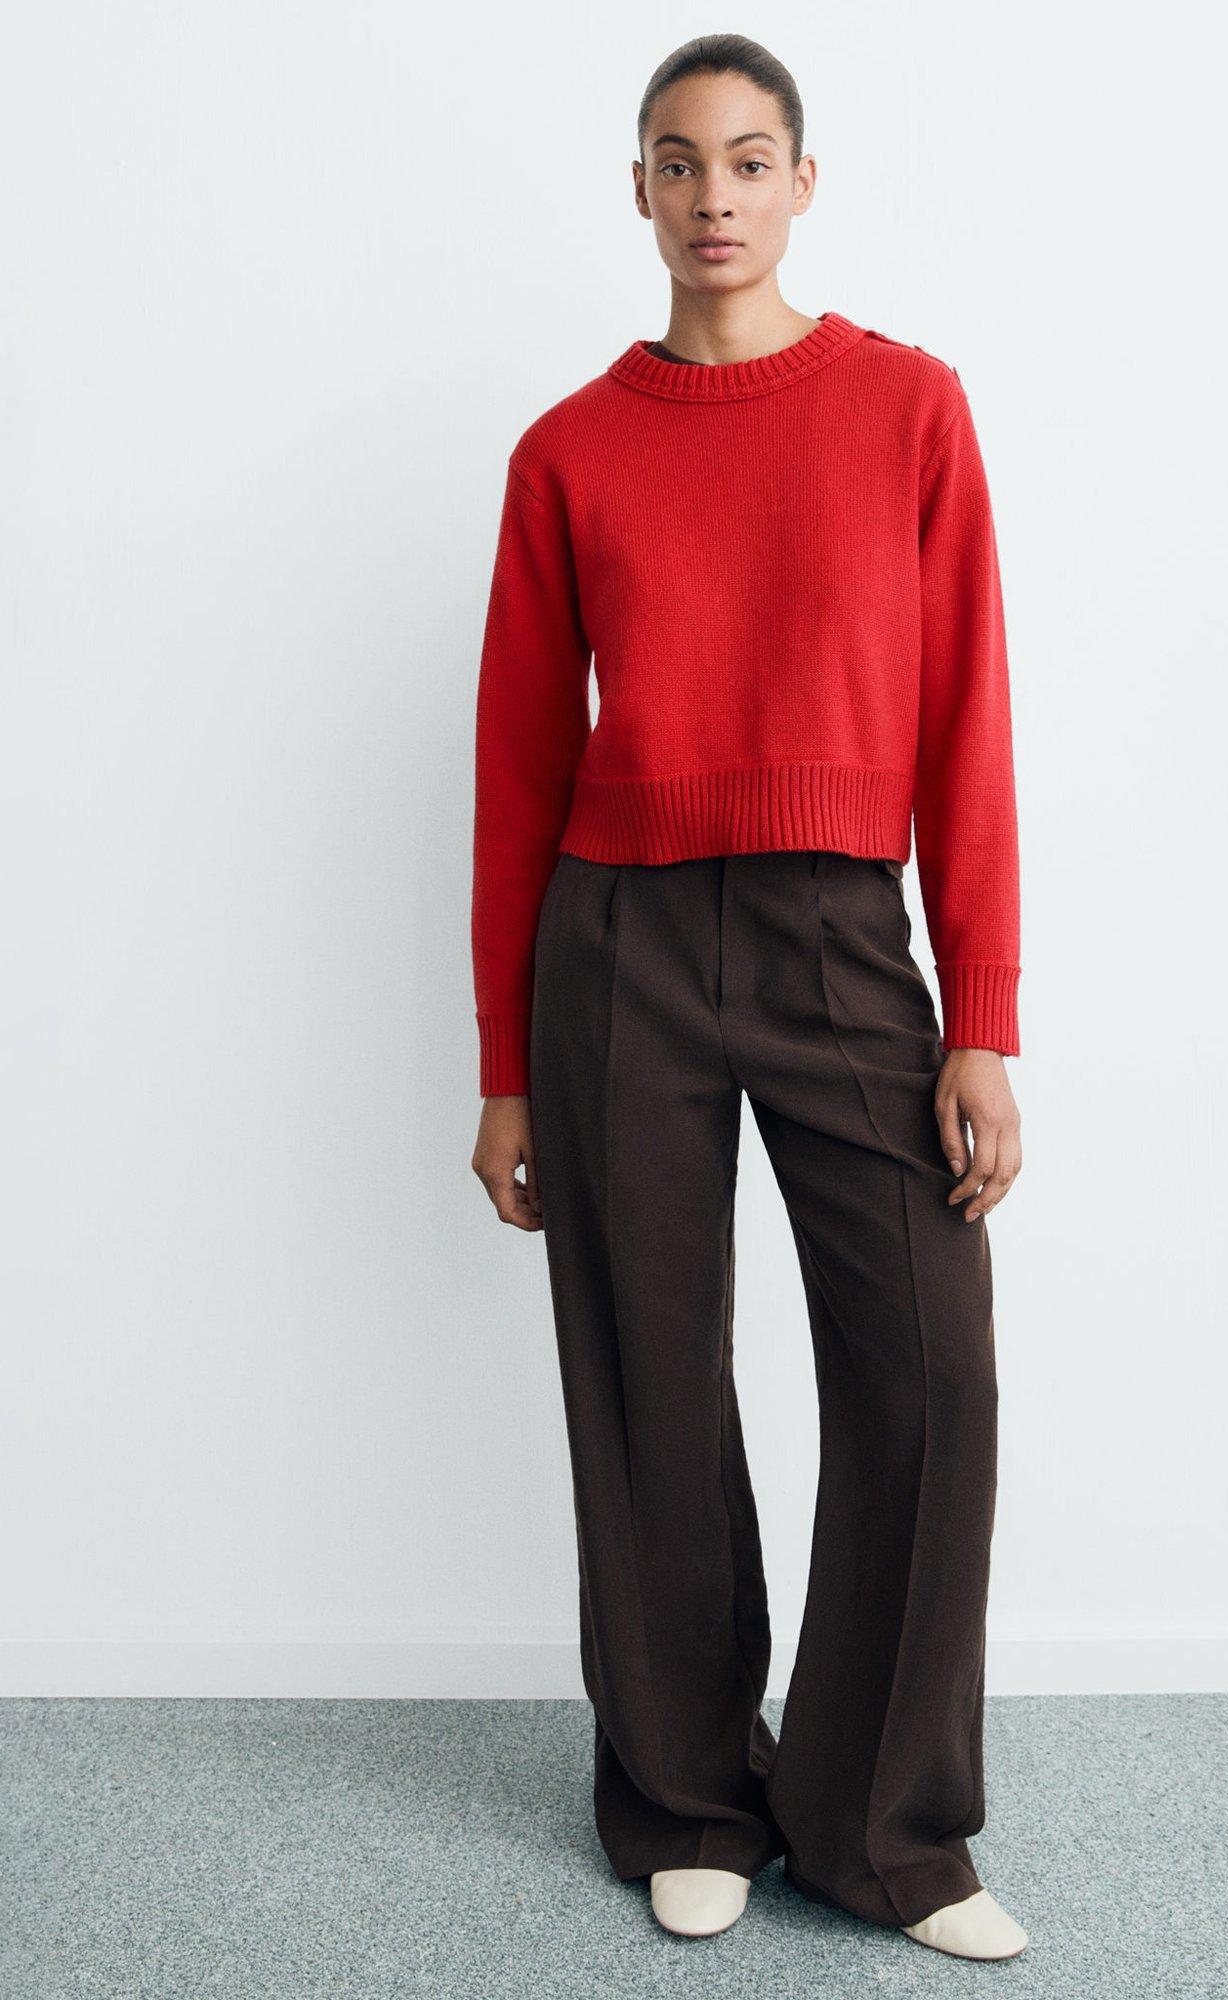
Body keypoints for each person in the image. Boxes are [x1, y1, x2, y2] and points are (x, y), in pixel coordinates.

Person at [470, 33, 1027, 1965]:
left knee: (930, 1371)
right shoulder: (568, 452)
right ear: (638, 189)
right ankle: (691, 1794)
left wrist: (982, 1016)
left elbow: (967, 725)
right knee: (650, 1376)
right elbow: (518, 770)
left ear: (804, 181)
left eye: (748, 157)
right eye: (677, 160)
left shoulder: (909, 409)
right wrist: (504, 1067)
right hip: (616, 942)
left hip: (839, 940)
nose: (714, 194)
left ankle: (882, 1827)